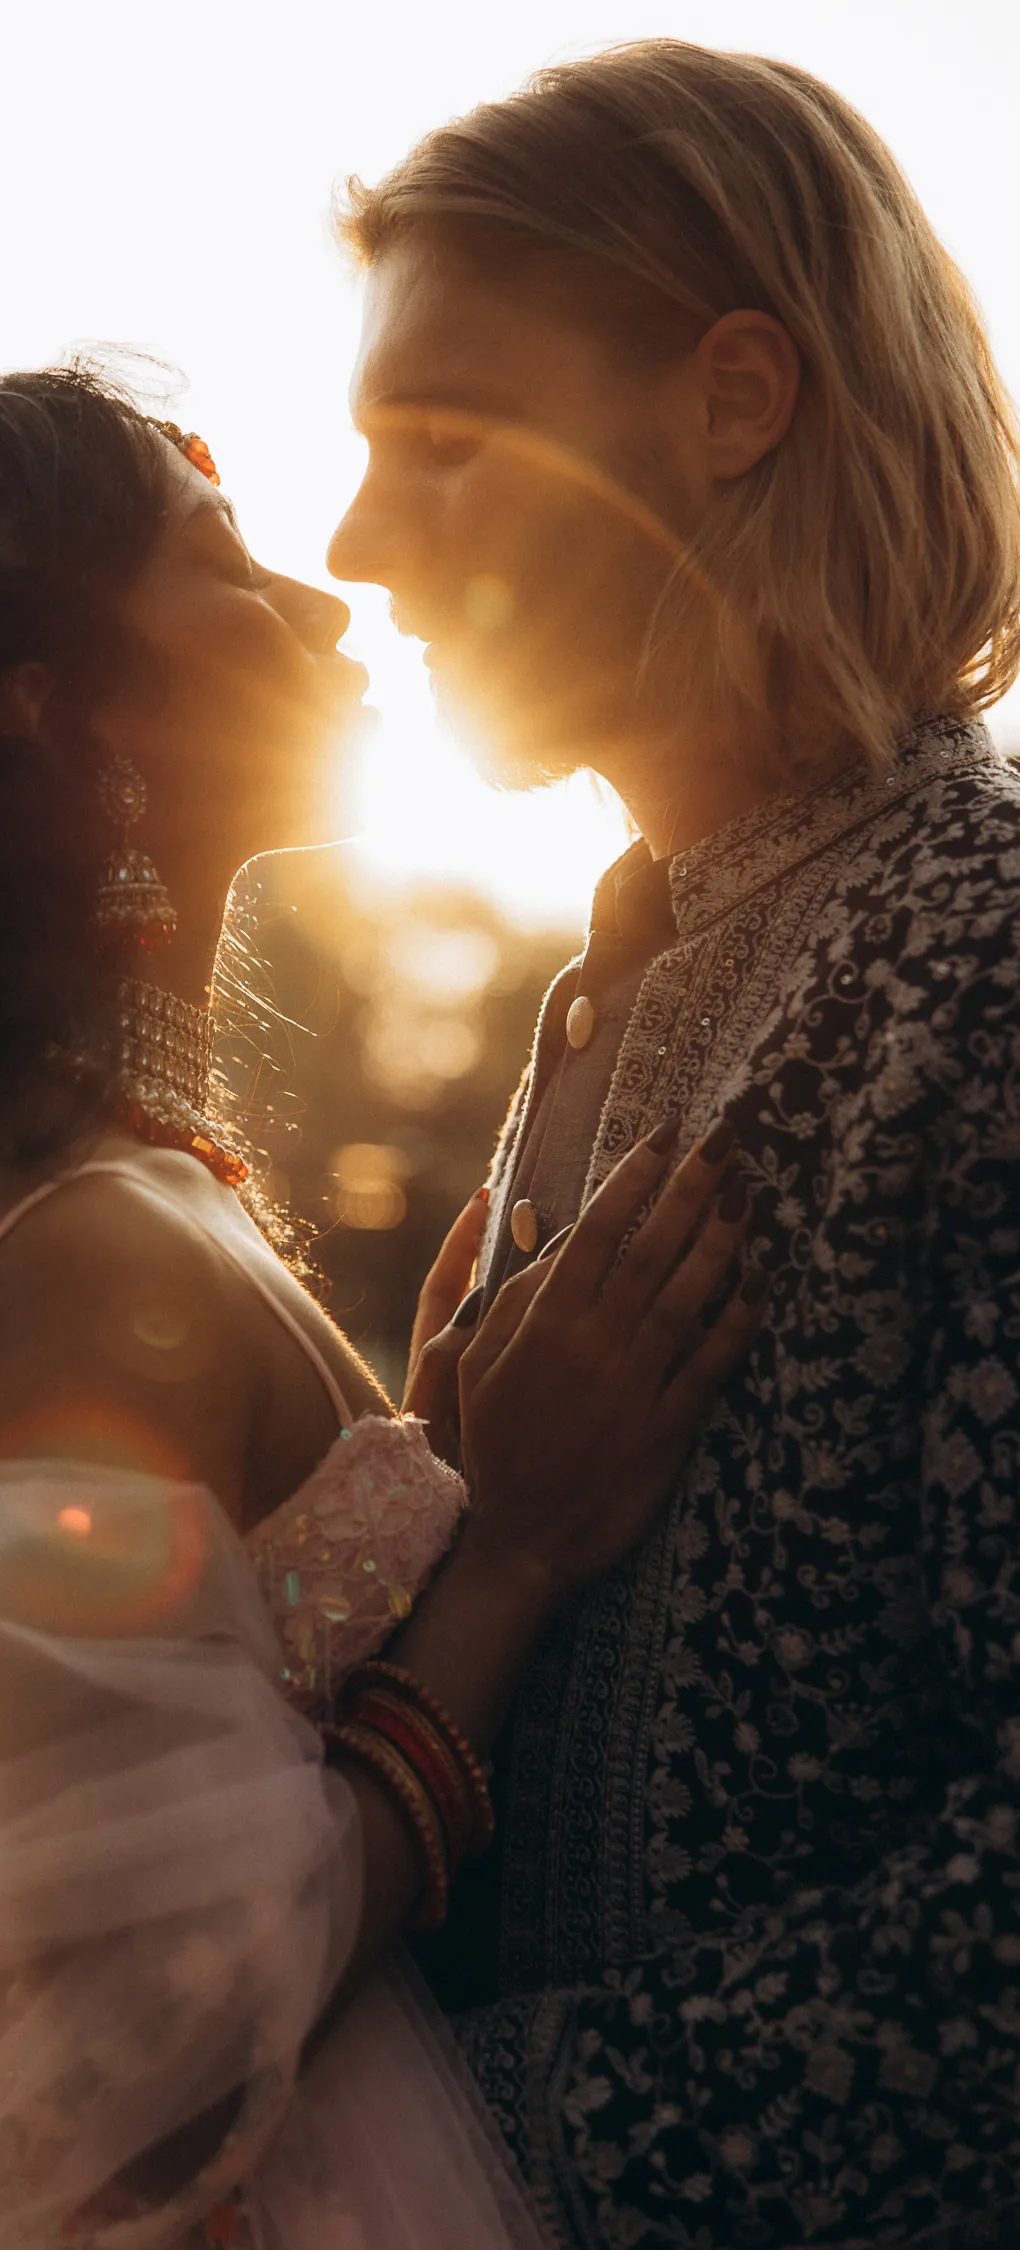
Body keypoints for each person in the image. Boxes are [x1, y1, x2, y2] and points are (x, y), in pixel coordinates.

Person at [0, 367, 760, 2248]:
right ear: (63, 711)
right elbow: (151, 2056)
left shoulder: (100, 1190)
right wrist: (514, 1555)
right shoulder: (81, 1250)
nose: (326, 601)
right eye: (226, 565)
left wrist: (426, 1449)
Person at [329, 37, 1020, 2250]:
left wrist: (421, 2154)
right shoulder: (610, 976)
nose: (353, 544)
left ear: (736, 399)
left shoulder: (987, 958)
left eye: (441, 442)